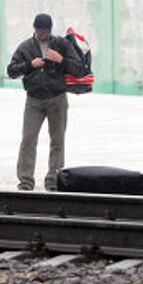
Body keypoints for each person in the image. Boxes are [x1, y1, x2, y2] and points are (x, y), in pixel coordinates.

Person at [6, 13, 89, 191]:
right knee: (28, 141)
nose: (43, 34)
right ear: (34, 28)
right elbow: (12, 71)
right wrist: (30, 65)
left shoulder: (61, 44)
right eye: (40, 31)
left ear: (50, 29)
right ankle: (26, 182)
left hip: (57, 99)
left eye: (46, 31)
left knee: (57, 142)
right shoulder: (26, 47)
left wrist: (61, 60)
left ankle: (53, 181)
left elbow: (80, 70)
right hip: (34, 101)